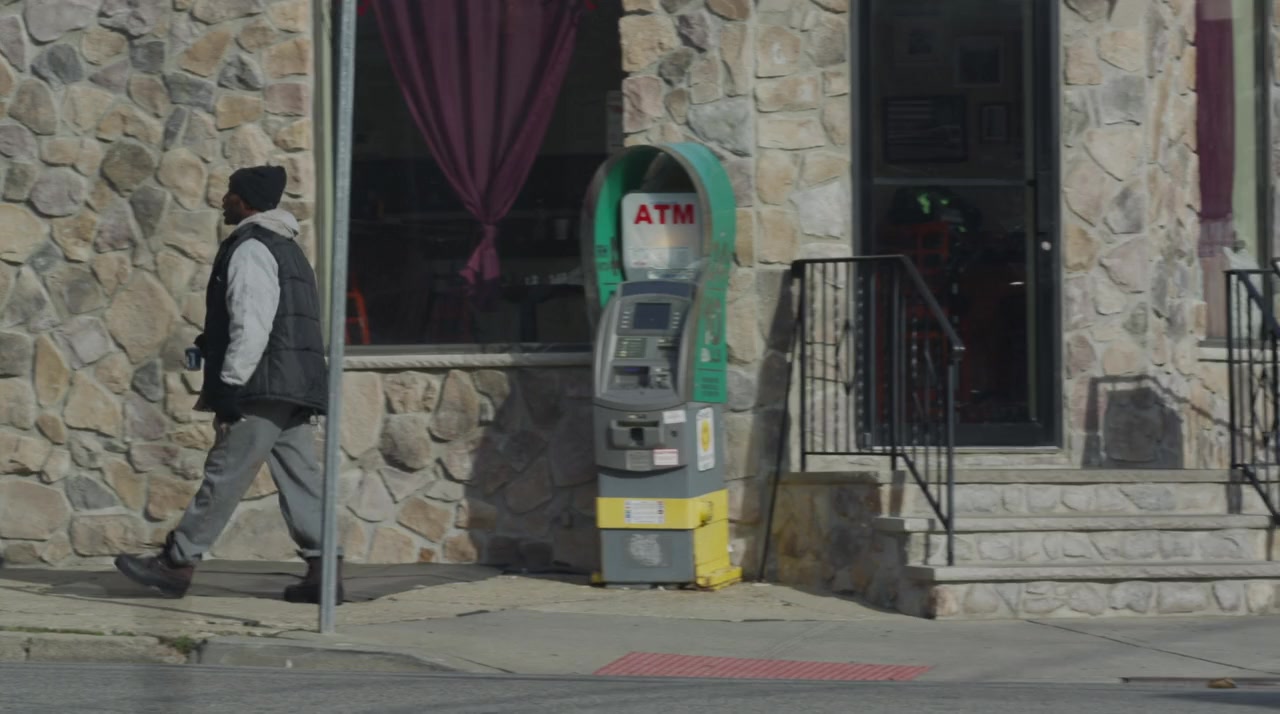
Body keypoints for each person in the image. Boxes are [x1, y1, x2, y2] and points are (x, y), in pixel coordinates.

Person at [114, 165, 341, 604]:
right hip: (292, 386)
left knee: (225, 473)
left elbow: (252, 324)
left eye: (230, 193)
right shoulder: (288, 249)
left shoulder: (252, 248)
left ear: (246, 201)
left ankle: (176, 563)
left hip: (261, 385)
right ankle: (325, 571)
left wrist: (232, 384)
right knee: (302, 478)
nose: (223, 200)